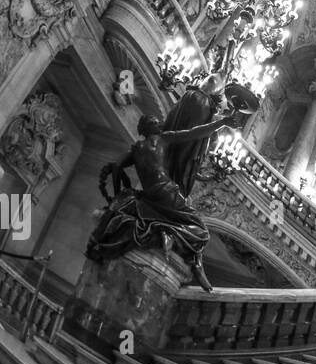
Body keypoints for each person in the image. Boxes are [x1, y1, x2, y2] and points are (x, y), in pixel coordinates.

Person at [87, 109, 246, 291]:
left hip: (151, 195)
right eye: (155, 121)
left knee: (182, 223)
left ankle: (171, 237)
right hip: (166, 192)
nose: (160, 122)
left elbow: (115, 166)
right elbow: (193, 133)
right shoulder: (163, 139)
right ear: (149, 127)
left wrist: (116, 194)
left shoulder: (136, 149)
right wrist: (221, 123)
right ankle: (195, 264)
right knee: (201, 230)